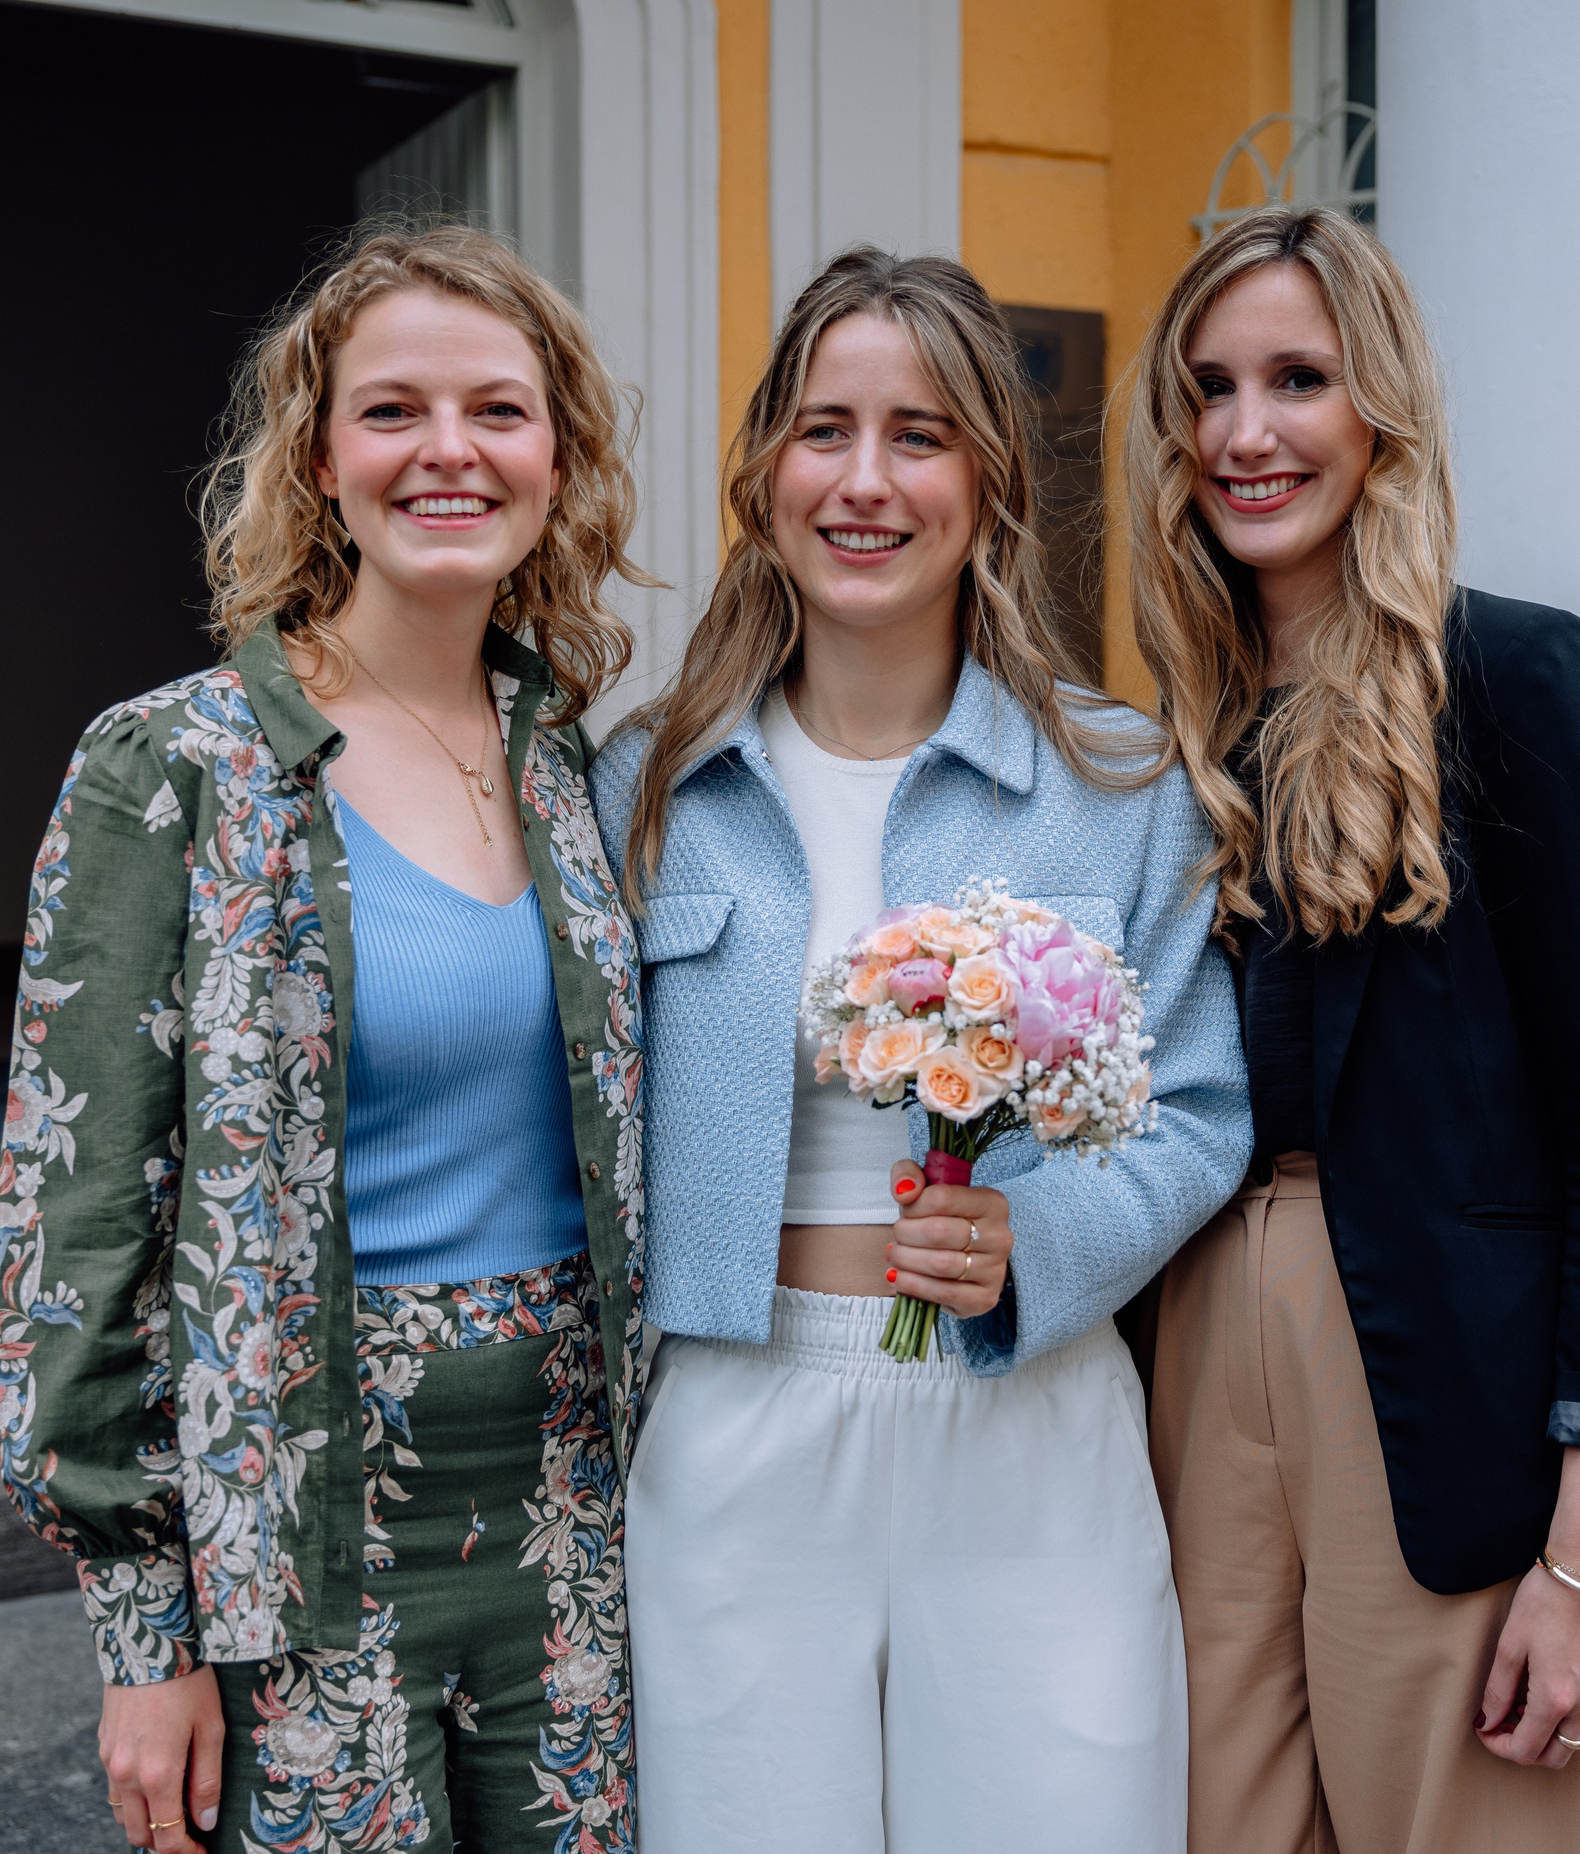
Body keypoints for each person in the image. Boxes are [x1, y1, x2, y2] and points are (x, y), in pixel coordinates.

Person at [0, 222, 655, 1854]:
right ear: (318, 456)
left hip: (582, 1510)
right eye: (393, 411)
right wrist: (147, 1633)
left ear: (557, 454)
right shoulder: (177, 764)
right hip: (302, 1538)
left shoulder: (577, 768)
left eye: (498, 410)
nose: (450, 451)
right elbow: (72, 1225)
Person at [590, 247, 1250, 1852]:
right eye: (825, 430)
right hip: (741, 1413)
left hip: (1027, 1420)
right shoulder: (644, 786)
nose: (866, 480)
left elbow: (1204, 1110)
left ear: (990, 481)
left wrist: (1038, 1237)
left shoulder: (1119, 778)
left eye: (922, 434)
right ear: (762, 474)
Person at [1126, 202, 1580, 1854]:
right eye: (1210, 388)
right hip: (1201, 1322)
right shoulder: (1178, 727)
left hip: (1443, 1363)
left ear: (1379, 404)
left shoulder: (1512, 676)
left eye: (1297, 378)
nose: (1247, 432)